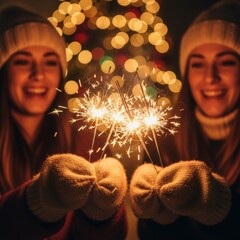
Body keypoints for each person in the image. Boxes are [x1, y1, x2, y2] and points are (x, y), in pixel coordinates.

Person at [0, 6, 128, 240]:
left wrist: (102, 215)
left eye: (50, 62)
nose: (38, 74)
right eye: (22, 62)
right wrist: (33, 203)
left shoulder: (86, 139)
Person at [129, 0, 240, 239]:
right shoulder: (162, 138)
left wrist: (218, 206)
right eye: (198, 64)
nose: (211, 77)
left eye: (226, 62)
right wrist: (157, 216)